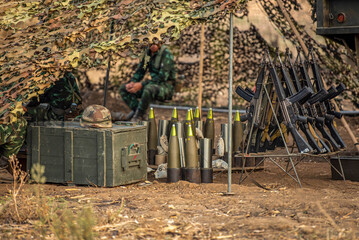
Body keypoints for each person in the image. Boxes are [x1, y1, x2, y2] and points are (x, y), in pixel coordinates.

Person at [119, 39, 176, 121]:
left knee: (148, 89)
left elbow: (162, 78)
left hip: (166, 87)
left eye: (155, 43)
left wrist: (141, 84)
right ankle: (139, 112)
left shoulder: (166, 54)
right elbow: (140, 71)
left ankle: (138, 116)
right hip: (152, 85)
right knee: (124, 89)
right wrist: (133, 83)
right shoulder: (147, 54)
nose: (153, 45)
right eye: (151, 43)